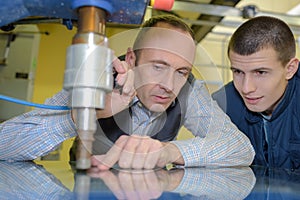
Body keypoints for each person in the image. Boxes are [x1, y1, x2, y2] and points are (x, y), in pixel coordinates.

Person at [0, 15, 255, 169]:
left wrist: (169, 152)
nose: (169, 84)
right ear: (131, 59)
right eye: (158, 66)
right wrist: (84, 114)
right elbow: (4, 146)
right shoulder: (99, 80)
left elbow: (241, 147)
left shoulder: (190, 91)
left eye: (181, 71)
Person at [212, 16, 300, 170]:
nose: (246, 88)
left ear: (290, 69)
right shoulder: (222, 105)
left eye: (260, 72)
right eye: (238, 71)